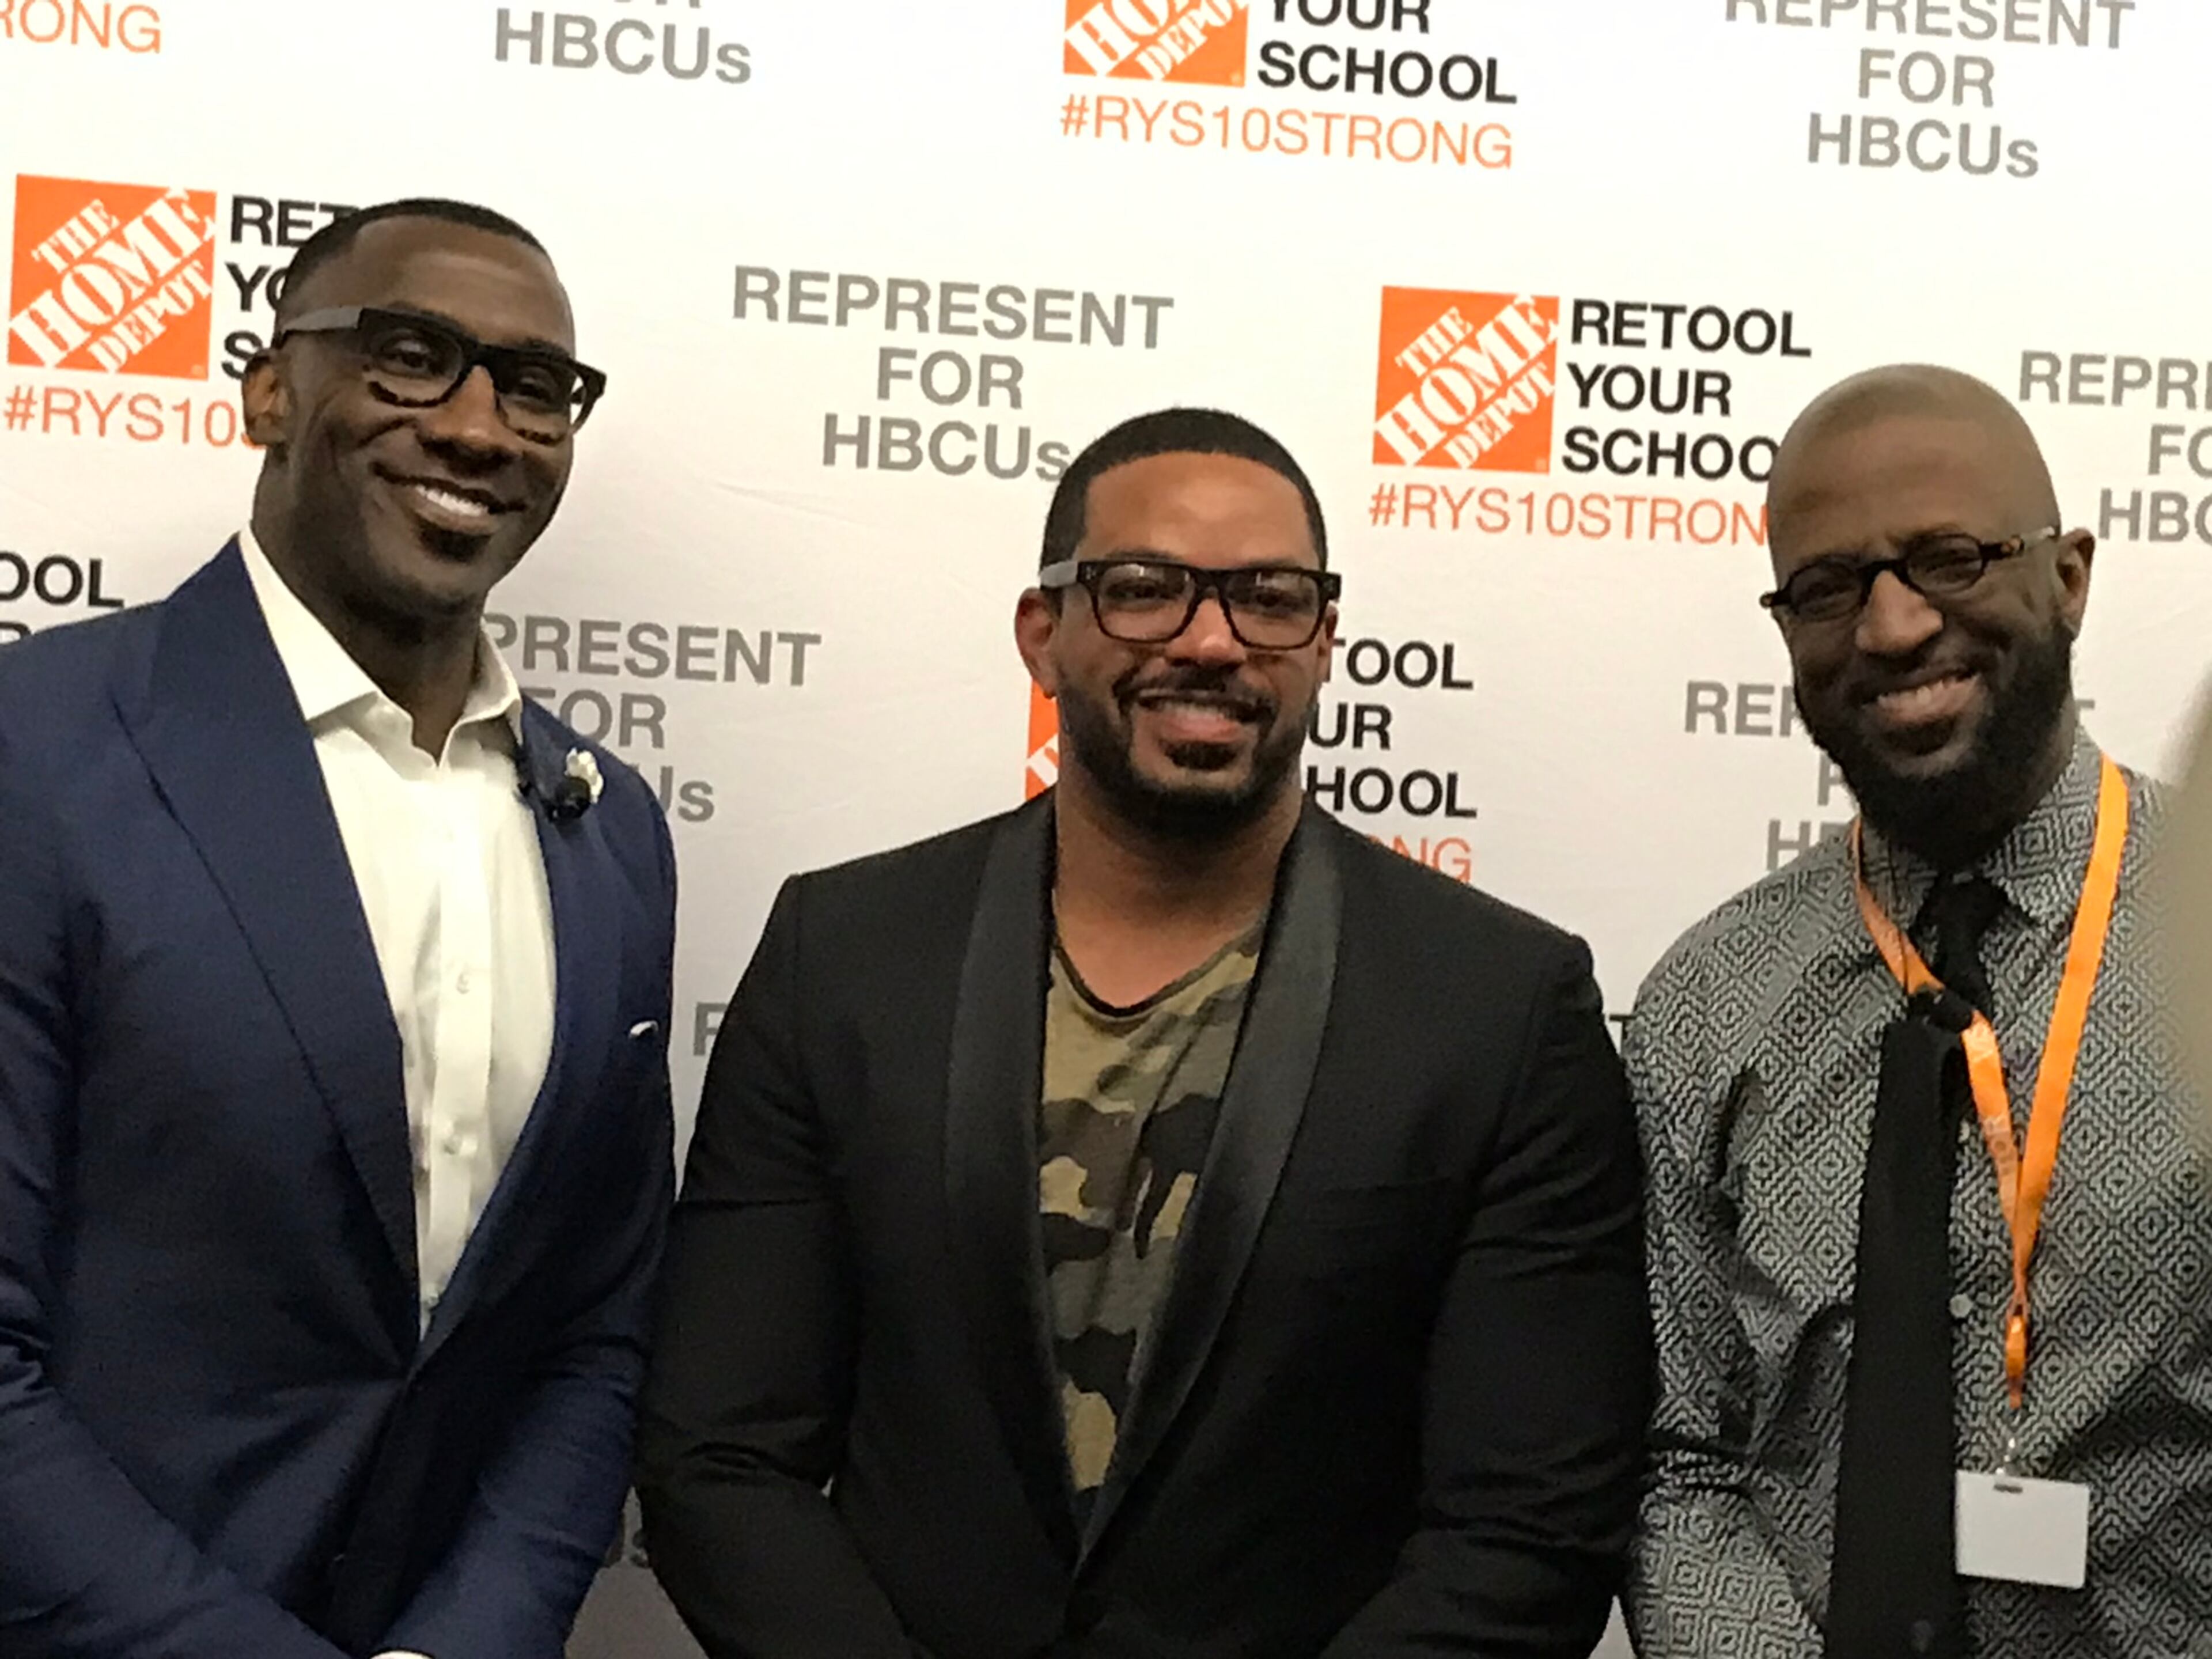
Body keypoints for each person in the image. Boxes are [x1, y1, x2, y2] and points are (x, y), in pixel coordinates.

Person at [635, 406, 1650, 1658]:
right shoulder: (840, 955)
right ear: (1042, 634)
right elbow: (723, 1451)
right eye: (1143, 590)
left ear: (1324, 641)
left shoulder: (1500, 1004)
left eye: (1268, 599)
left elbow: (1529, 1526)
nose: (1212, 640)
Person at [0, 198, 676, 1659]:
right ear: (270, 387)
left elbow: (592, 1337)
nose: (481, 426)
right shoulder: (36, 751)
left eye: (535, 386)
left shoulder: (611, 827)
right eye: (412, 357)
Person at [1623, 365, 2212, 1657]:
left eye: (1949, 558)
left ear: (2069, 577)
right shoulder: (1703, 1010)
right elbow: (1681, 1461)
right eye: (1828, 588)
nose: (1891, 628)